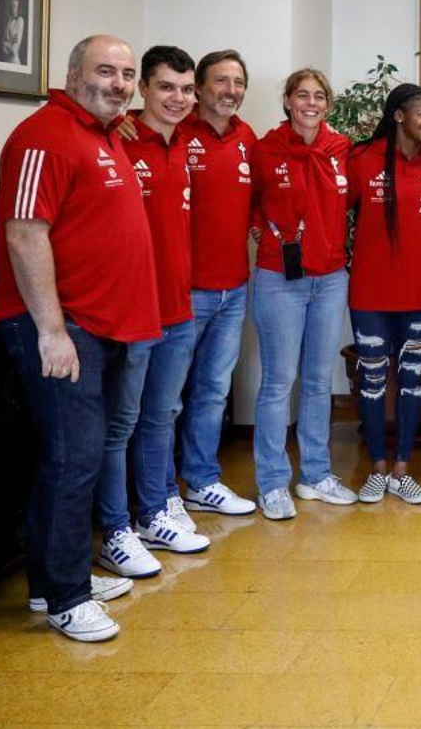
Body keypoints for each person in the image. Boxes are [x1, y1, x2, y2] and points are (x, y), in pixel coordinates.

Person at [0, 35, 160, 642]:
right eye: (105, 71)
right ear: (72, 74)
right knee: (73, 460)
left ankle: (47, 583)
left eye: (126, 75)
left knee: (70, 460)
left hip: (102, 325)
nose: (119, 84)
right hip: (65, 330)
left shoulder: (107, 134)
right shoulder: (44, 135)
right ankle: (67, 597)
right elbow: (23, 234)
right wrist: (52, 331)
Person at [96, 46, 209, 585]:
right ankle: (115, 530)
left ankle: (153, 514)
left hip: (177, 307)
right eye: (167, 87)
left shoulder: (184, 144)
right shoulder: (117, 140)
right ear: (144, 88)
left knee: (162, 415)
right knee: (121, 423)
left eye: (186, 90)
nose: (178, 99)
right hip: (133, 313)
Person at [250, 68, 355, 520]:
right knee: (278, 381)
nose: (311, 103)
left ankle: (315, 475)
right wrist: (262, 232)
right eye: (302, 96)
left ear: (327, 105)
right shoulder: (264, 149)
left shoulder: (341, 149)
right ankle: (272, 483)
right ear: (289, 101)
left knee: (317, 380)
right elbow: (248, 200)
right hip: (281, 278)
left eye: (319, 97)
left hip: (331, 278)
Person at [346, 84, 421, 505]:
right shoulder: (361, 159)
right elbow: (333, 207)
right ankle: (376, 467)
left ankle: (402, 470)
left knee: (412, 380)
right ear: (398, 116)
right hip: (369, 294)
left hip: (420, 292)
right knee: (372, 381)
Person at [176, 50, 259, 517]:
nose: (231, 91)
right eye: (221, 81)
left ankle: (201, 481)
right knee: (166, 399)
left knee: (212, 391)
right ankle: (160, 494)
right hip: (185, 290)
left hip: (234, 287)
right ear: (199, 86)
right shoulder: (173, 131)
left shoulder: (247, 138)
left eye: (238, 82)